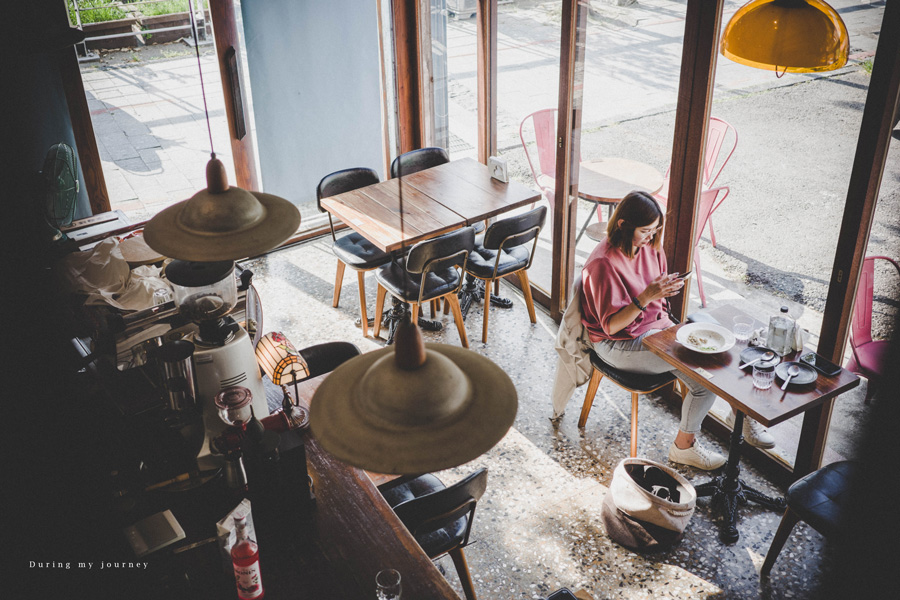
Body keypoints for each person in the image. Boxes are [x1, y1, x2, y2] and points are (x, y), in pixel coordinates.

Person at [580, 191, 726, 469]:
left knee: (707, 375)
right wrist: (646, 297)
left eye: (655, 230)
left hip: (653, 329)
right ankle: (702, 439)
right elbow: (611, 326)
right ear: (623, 225)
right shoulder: (603, 262)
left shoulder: (651, 248)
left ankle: (685, 446)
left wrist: (664, 291)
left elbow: (655, 302)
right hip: (617, 344)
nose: (651, 237)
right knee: (699, 361)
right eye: (645, 231)